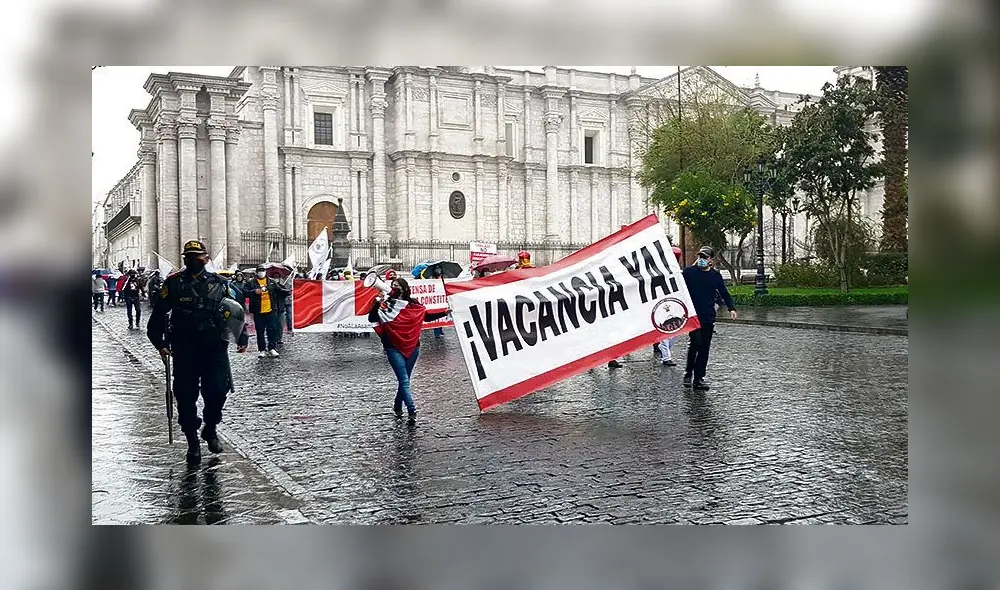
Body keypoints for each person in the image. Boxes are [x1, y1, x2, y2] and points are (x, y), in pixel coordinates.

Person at [147, 240, 240, 464]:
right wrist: (159, 343)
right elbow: (159, 315)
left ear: (206, 259)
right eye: (189, 256)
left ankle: (210, 427)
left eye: (198, 256)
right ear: (184, 259)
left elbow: (234, 312)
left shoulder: (220, 283)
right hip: (184, 349)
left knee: (218, 392)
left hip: (214, 348)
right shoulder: (174, 283)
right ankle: (192, 442)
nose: (193, 260)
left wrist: (241, 336)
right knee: (185, 396)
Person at [367, 277, 449, 422]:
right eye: (392, 285)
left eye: (397, 286)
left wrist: (445, 312)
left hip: (413, 346)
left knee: (405, 380)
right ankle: (412, 409)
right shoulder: (386, 304)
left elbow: (426, 317)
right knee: (404, 381)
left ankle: (397, 405)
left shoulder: (413, 304)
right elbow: (372, 317)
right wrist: (376, 303)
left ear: (404, 289)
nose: (393, 287)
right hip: (393, 346)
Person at [681, 246, 737, 390]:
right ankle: (688, 373)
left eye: (705, 257)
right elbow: (675, 285)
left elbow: (724, 292)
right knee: (695, 344)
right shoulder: (689, 272)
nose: (702, 260)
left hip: (708, 316)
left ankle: (699, 378)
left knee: (704, 348)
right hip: (693, 316)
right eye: (700, 257)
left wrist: (731, 308)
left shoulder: (715, 276)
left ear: (711, 260)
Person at [655, 246, 685, 366]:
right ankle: (666, 357)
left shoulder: (678, 273)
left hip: (675, 305)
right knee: (665, 332)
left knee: (675, 331)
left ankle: (665, 352)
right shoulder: (659, 272)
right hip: (661, 305)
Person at [243, 265, 283, 358]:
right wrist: (254, 292)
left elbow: (280, 291)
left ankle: (272, 348)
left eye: (263, 270)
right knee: (260, 331)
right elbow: (244, 292)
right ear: (257, 272)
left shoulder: (271, 282)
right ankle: (262, 349)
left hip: (271, 310)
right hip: (258, 311)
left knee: (272, 330)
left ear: (265, 272)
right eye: (259, 271)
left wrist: (289, 291)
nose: (261, 272)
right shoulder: (251, 283)